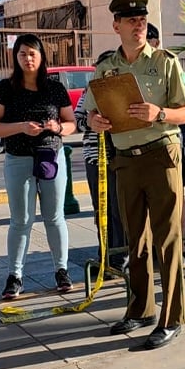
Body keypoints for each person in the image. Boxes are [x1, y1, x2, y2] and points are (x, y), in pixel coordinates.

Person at [84, 0, 185, 350]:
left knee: (167, 239)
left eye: (143, 19)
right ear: (115, 25)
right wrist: (95, 121)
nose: (139, 25)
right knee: (136, 241)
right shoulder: (106, 67)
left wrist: (160, 113)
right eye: (131, 20)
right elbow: (91, 111)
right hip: (124, 160)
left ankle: (172, 316)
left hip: (162, 154)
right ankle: (141, 309)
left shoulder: (165, 62)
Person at [0, 34, 76, 299]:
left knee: (55, 217)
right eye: (22, 54)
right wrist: (21, 127)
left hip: (51, 157)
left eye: (33, 53)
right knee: (21, 220)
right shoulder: (5, 88)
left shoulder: (55, 88)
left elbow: (71, 123)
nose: (28, 59)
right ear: (16, 57)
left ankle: (62, 270)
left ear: (42, 56)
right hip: (18, 159)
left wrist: (57, 127)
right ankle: (15, 275)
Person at [74, 50, 127, 277]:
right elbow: (77, 120)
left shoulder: (124, 90)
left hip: (120, 157)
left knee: (119, 210)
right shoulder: (90, 91)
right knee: (101, 210)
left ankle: (119, 256)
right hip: (95, 158)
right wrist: (91, 120)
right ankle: (104, 256)